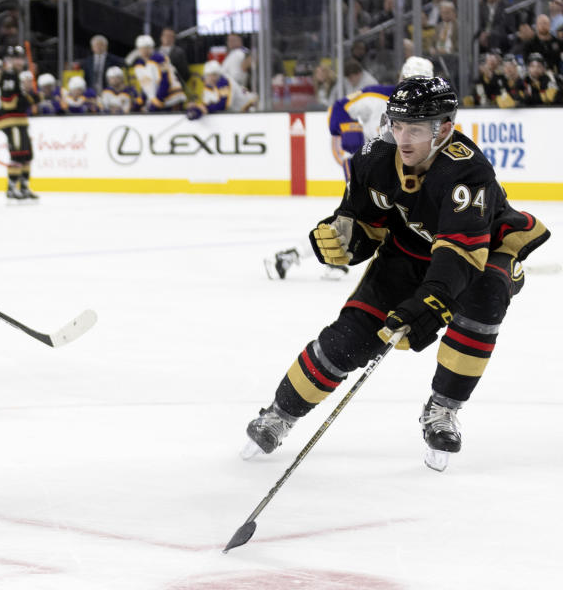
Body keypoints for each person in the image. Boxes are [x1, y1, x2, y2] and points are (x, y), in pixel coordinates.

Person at [241, 77, 549, 473]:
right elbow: (363, 223)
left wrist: (429, 304)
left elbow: (459, 256)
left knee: (485, 297)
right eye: (397, 124)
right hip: (406, 252)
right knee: (350, 339)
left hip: (480, 253)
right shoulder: (375, 155)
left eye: (416, 129)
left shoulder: (467, 172)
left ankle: (442, 409)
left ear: (445, 129)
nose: (402, 138)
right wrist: (341, 240)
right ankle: (280, 414)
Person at [265, 56, 435, 281]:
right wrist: (348, 128)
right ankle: (295, 256)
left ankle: (296, 256)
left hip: (401, 174)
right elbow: (339, 108)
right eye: (411, 81)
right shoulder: (376, 95)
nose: (416, 89)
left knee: (386, 221)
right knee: (357, 219)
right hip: (370, 169)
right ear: (401, 78)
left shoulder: (434, 110)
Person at [0, 45, 39, 202]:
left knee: (27, 154)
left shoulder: (17, 76)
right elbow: (8, 103)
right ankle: (12, 187)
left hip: (20, 120)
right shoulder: (9, 76)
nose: (19, 61)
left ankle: (24, 186)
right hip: (9, 120)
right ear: (9, 60)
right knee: (18, 153)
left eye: (21, 58)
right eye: (15, 59)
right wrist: (28, 99)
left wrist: (31, 97)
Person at [186, 59, 256, 119]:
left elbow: (223, 104)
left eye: (215, 75)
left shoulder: (224, 81)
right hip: (241, 115)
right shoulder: (208, 87)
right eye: (210, 75)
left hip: (253, 109)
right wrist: (195, 107)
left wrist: (201, 108)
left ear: (219, 74)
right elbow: (209, 105)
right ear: (205, 76)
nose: (212, 78)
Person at [132, 34, 185, 111]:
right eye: (142, 48)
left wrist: (159, 99)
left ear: (152, 48)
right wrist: (140, 101)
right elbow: (146, 85)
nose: (144, 51)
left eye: (147, 47)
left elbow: (166, 81)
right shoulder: (138, 65)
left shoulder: (160, 59)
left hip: (172, 99)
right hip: (158, 101)